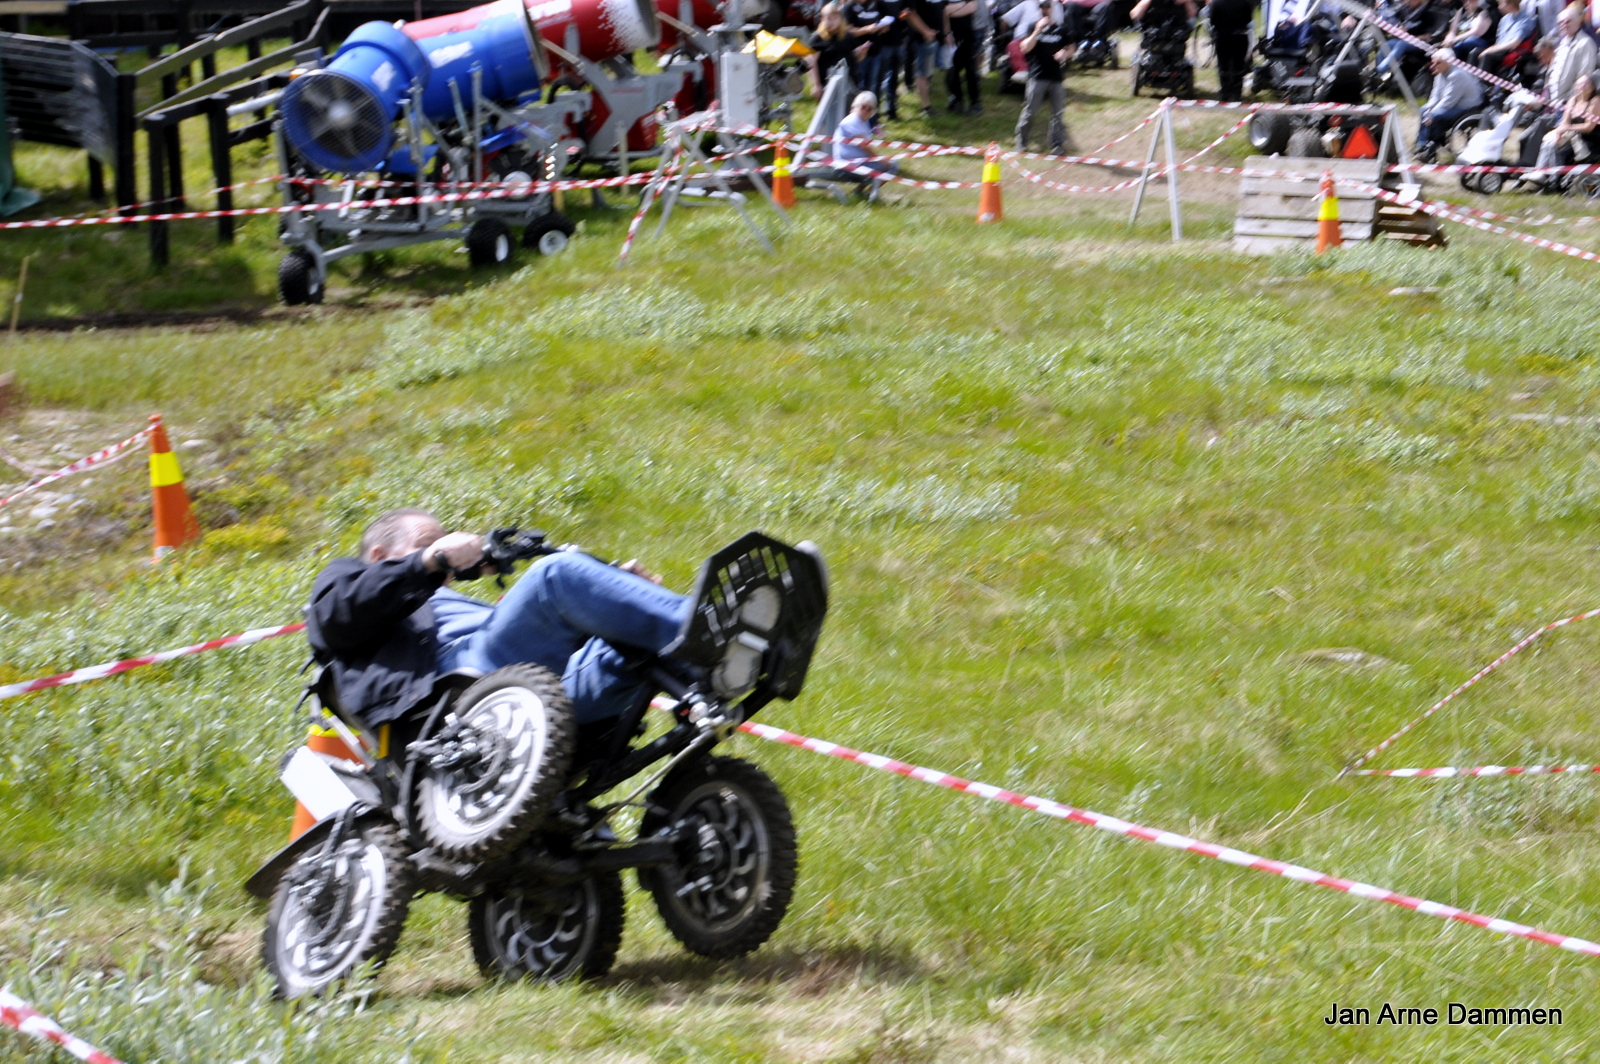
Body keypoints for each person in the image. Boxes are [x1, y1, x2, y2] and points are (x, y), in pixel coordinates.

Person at [305, 509, 718, 736]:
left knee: (622, 643)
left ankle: (716, 672)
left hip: (544, 689)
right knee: (555, 576)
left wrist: (619, 595)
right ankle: (715, 629)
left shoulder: (442, 597)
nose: (439, 553)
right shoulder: (348, 580)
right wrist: (429, 561)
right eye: (426, 542)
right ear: (378, 556)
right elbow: (335, 618)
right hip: (453, 689)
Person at [1015, 2, 1076, 152]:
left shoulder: (1061, 30)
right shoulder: (1032, 27)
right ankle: (1021, 141)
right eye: (1042, 7)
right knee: (1030, 111)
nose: (1045, 10)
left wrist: (1065, 54)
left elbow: (1072, 47)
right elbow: (1025, 47)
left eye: (1048, 7)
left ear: (1052, 10)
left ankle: (1057, 144)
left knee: (1057, 113)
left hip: (1056, 77)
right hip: (1037, 77)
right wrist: (1037, 30)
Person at [1415, 47, 1486, 156]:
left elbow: (1449, 101)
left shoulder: (1457, 75)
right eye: (1433, 63)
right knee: (1423, 110)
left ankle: (1433, 145)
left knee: (1435, 116)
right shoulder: (1440, 72)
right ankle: (1421, 143)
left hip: (1467, 106)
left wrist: (1431, 113)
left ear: (1448, 62)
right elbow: (1436, 95)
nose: (1433, 67)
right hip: (1453, 102)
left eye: (1438, 63)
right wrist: (1429, 108)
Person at [833, 90, 899, 195]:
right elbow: (864, 146)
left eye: (870, 109)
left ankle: (860, 192)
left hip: (857, 163)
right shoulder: (852, 120)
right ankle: (869, 193)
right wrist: (880, 160)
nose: (866, 111)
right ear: (856, 106)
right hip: (848, 166)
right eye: (863, 107)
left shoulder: (863, 123)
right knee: (893, 165)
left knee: (891, 163)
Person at [807, 2, 871, 95]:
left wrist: (861, 53)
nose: (829, 22)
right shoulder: (818, 38)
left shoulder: (848, 36)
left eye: (833, 18)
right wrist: (816, 85)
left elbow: (854, 59)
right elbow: (811, 63)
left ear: (840, 19)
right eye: (826, 18)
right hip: (827, 85)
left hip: (849, 84)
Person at [1207, 0, 1259, 101]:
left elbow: (1212, 20)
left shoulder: (1216, 2)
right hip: (1240, 36)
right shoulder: (1245, 2)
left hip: (1222, 37)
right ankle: (1237, 93)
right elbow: (1248, 19)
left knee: (1223, 66)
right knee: (1238, 66)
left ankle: (1225, 92)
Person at [907, 0, 950, 116]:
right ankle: (926, 107)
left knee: (931, 71)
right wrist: (925, 31)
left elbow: (944, 11)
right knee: (923, 73)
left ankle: (926, 94)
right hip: (924, 39)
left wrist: (947, 33)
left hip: (939, 38)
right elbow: (910, 14)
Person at [1477, 0, 1537, 74]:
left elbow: (1515, 43)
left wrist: (1490, 50)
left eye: (1501, 4)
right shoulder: (1504, 20)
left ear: (1510, 3)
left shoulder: (1525, 20)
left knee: (1487, 56)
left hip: (1511, 51)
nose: (1499, 7)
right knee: (1475, 52)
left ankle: (1480, 83)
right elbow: (1498, 41)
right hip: (1499, 49)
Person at [946, 0, 984, 113]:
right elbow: (943, 11)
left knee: (971, 72)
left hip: (968, 37)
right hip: (951, 38)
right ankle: (957, 100)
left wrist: (950, 11)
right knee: (952, 72)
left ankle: (975, 103)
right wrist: (962, 5)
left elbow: (972, 7)